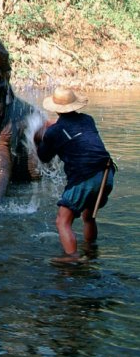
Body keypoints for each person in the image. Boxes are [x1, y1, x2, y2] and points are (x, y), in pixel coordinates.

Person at [35, 87, 115, 261]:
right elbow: (74, 133)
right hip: (107, 173)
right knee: (89, 216)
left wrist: (39, 137)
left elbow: (44, 157)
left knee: (62, 221)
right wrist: (52, 129)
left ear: (56, 108)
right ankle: (91, 250)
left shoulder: (53, 132)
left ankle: (72, 257)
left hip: (86, 177)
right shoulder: (88, 120)